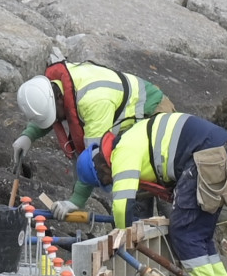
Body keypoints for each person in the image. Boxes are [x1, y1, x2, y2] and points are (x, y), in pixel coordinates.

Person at [80, 112, 227, 276]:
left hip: (207, 157)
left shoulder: (122, 151)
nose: (109, 181)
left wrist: (123, 240)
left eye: (105, 179)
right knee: (201, 235)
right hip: (223, 153)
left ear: (102, 166)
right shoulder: (131, 139)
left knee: (185, 232)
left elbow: (122, 204)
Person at [12, 60, 173, 219]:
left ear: (60, 97)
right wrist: (28, 135)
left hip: (153, 113)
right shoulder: (58, 87)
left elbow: (96, 157)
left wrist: (76, 201)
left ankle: (162, 232)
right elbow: (51, 109)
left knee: (148, 182)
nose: (56, 121)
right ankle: (138, 233)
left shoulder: (93, 101)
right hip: (129, 121)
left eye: (54, 116)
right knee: (133, 191)